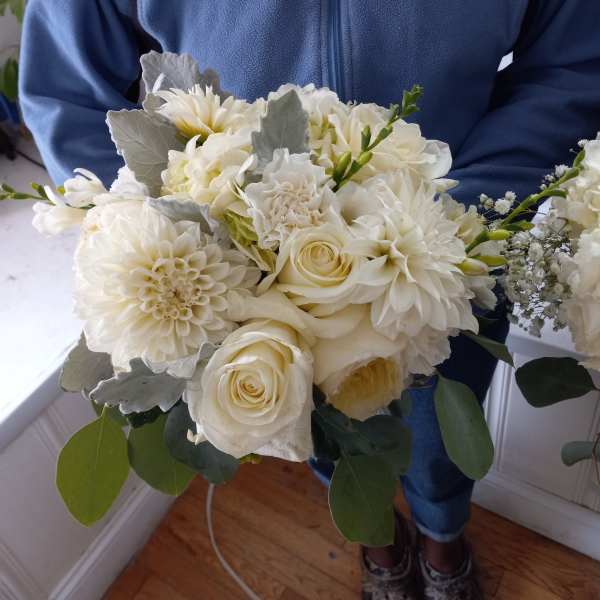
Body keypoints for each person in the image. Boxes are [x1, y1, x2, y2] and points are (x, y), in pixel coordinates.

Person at [19, 2, 600, 599]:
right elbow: (67, 90)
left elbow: (570, 63)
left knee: (444, 439)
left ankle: (443, 537)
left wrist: (456, 219)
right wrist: (157, 231)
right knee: (321, 433)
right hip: (251, 277)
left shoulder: (450, 246)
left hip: (443, 259)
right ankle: (378, 539)